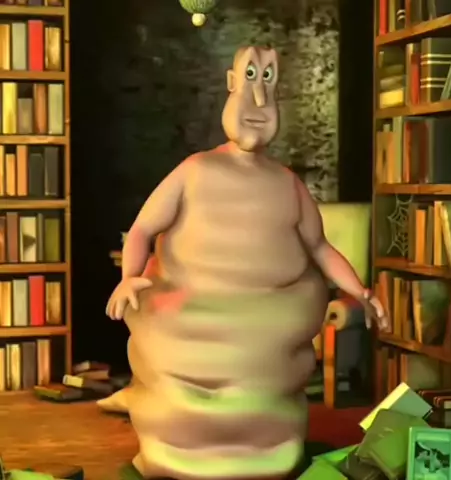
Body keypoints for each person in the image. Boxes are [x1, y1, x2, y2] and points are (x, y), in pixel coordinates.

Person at [106, 45, 389, 480]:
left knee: (265, 406)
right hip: (189, 334)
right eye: (251, 76)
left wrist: (360, 291)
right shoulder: (194, 172)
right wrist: (129, 278)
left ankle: (265, 452)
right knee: (179, 404)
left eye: (268, 79)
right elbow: (143, 228)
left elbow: (320, 248)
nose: (259, 99)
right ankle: (175, 452)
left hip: (262, 348)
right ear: (231, 82)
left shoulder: (288, 186)